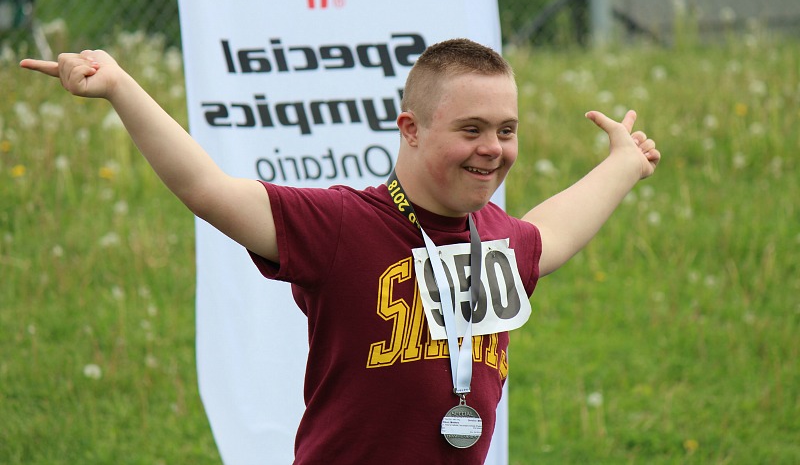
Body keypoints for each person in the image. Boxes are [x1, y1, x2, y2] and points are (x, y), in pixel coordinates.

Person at [20, 38, 660, 464]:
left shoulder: (494, 234)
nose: (492, 147)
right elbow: (208, 190)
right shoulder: (341, 225)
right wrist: (121, 88)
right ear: (410, 129)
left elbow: (550, 234)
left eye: (506, 130)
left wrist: (623, 166)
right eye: (471, 129)